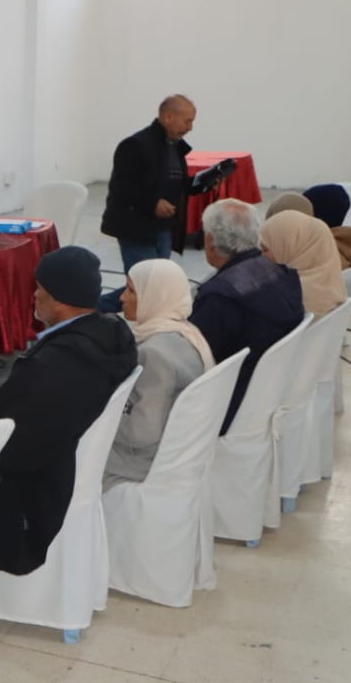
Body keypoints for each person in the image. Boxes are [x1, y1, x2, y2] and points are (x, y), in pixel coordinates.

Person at [0, 246, 138, 575]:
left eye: (40, 289)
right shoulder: (113, 337)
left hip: (28, 499)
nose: (34, 296)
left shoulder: (54, 365)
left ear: (60, 300)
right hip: (62, 463)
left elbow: (10, 445)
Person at [190, 199, 304, 433]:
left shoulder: (220, 297)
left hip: (229, 406)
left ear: (210, 241)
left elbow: (193, 361)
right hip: (274, 391)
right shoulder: (282, 273)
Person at [103, 259, 214, 485]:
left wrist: (101, 415)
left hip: (141, 464)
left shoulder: (155, 353)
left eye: (131, 290)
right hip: (181, 452)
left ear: (155, 295)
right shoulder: (187, 333)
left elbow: (141, 432)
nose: (122, 298)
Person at [98, 95, 198, 310]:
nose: (190, 128)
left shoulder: (173, 146)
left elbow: (175, 182)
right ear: (168, 117)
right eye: (187, 121)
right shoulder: (135, 145)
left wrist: (200, 184)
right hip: (137, 229)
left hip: (163, 229)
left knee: (154, 286)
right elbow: (122, 188)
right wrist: (152, 204)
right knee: (145, 287)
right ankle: (92, 309)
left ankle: (90, 309)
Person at [260, 210, 347, 317]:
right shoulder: (334, 285)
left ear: (290, 249)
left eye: (265, 249)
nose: (261, 255)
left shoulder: (284, 297)